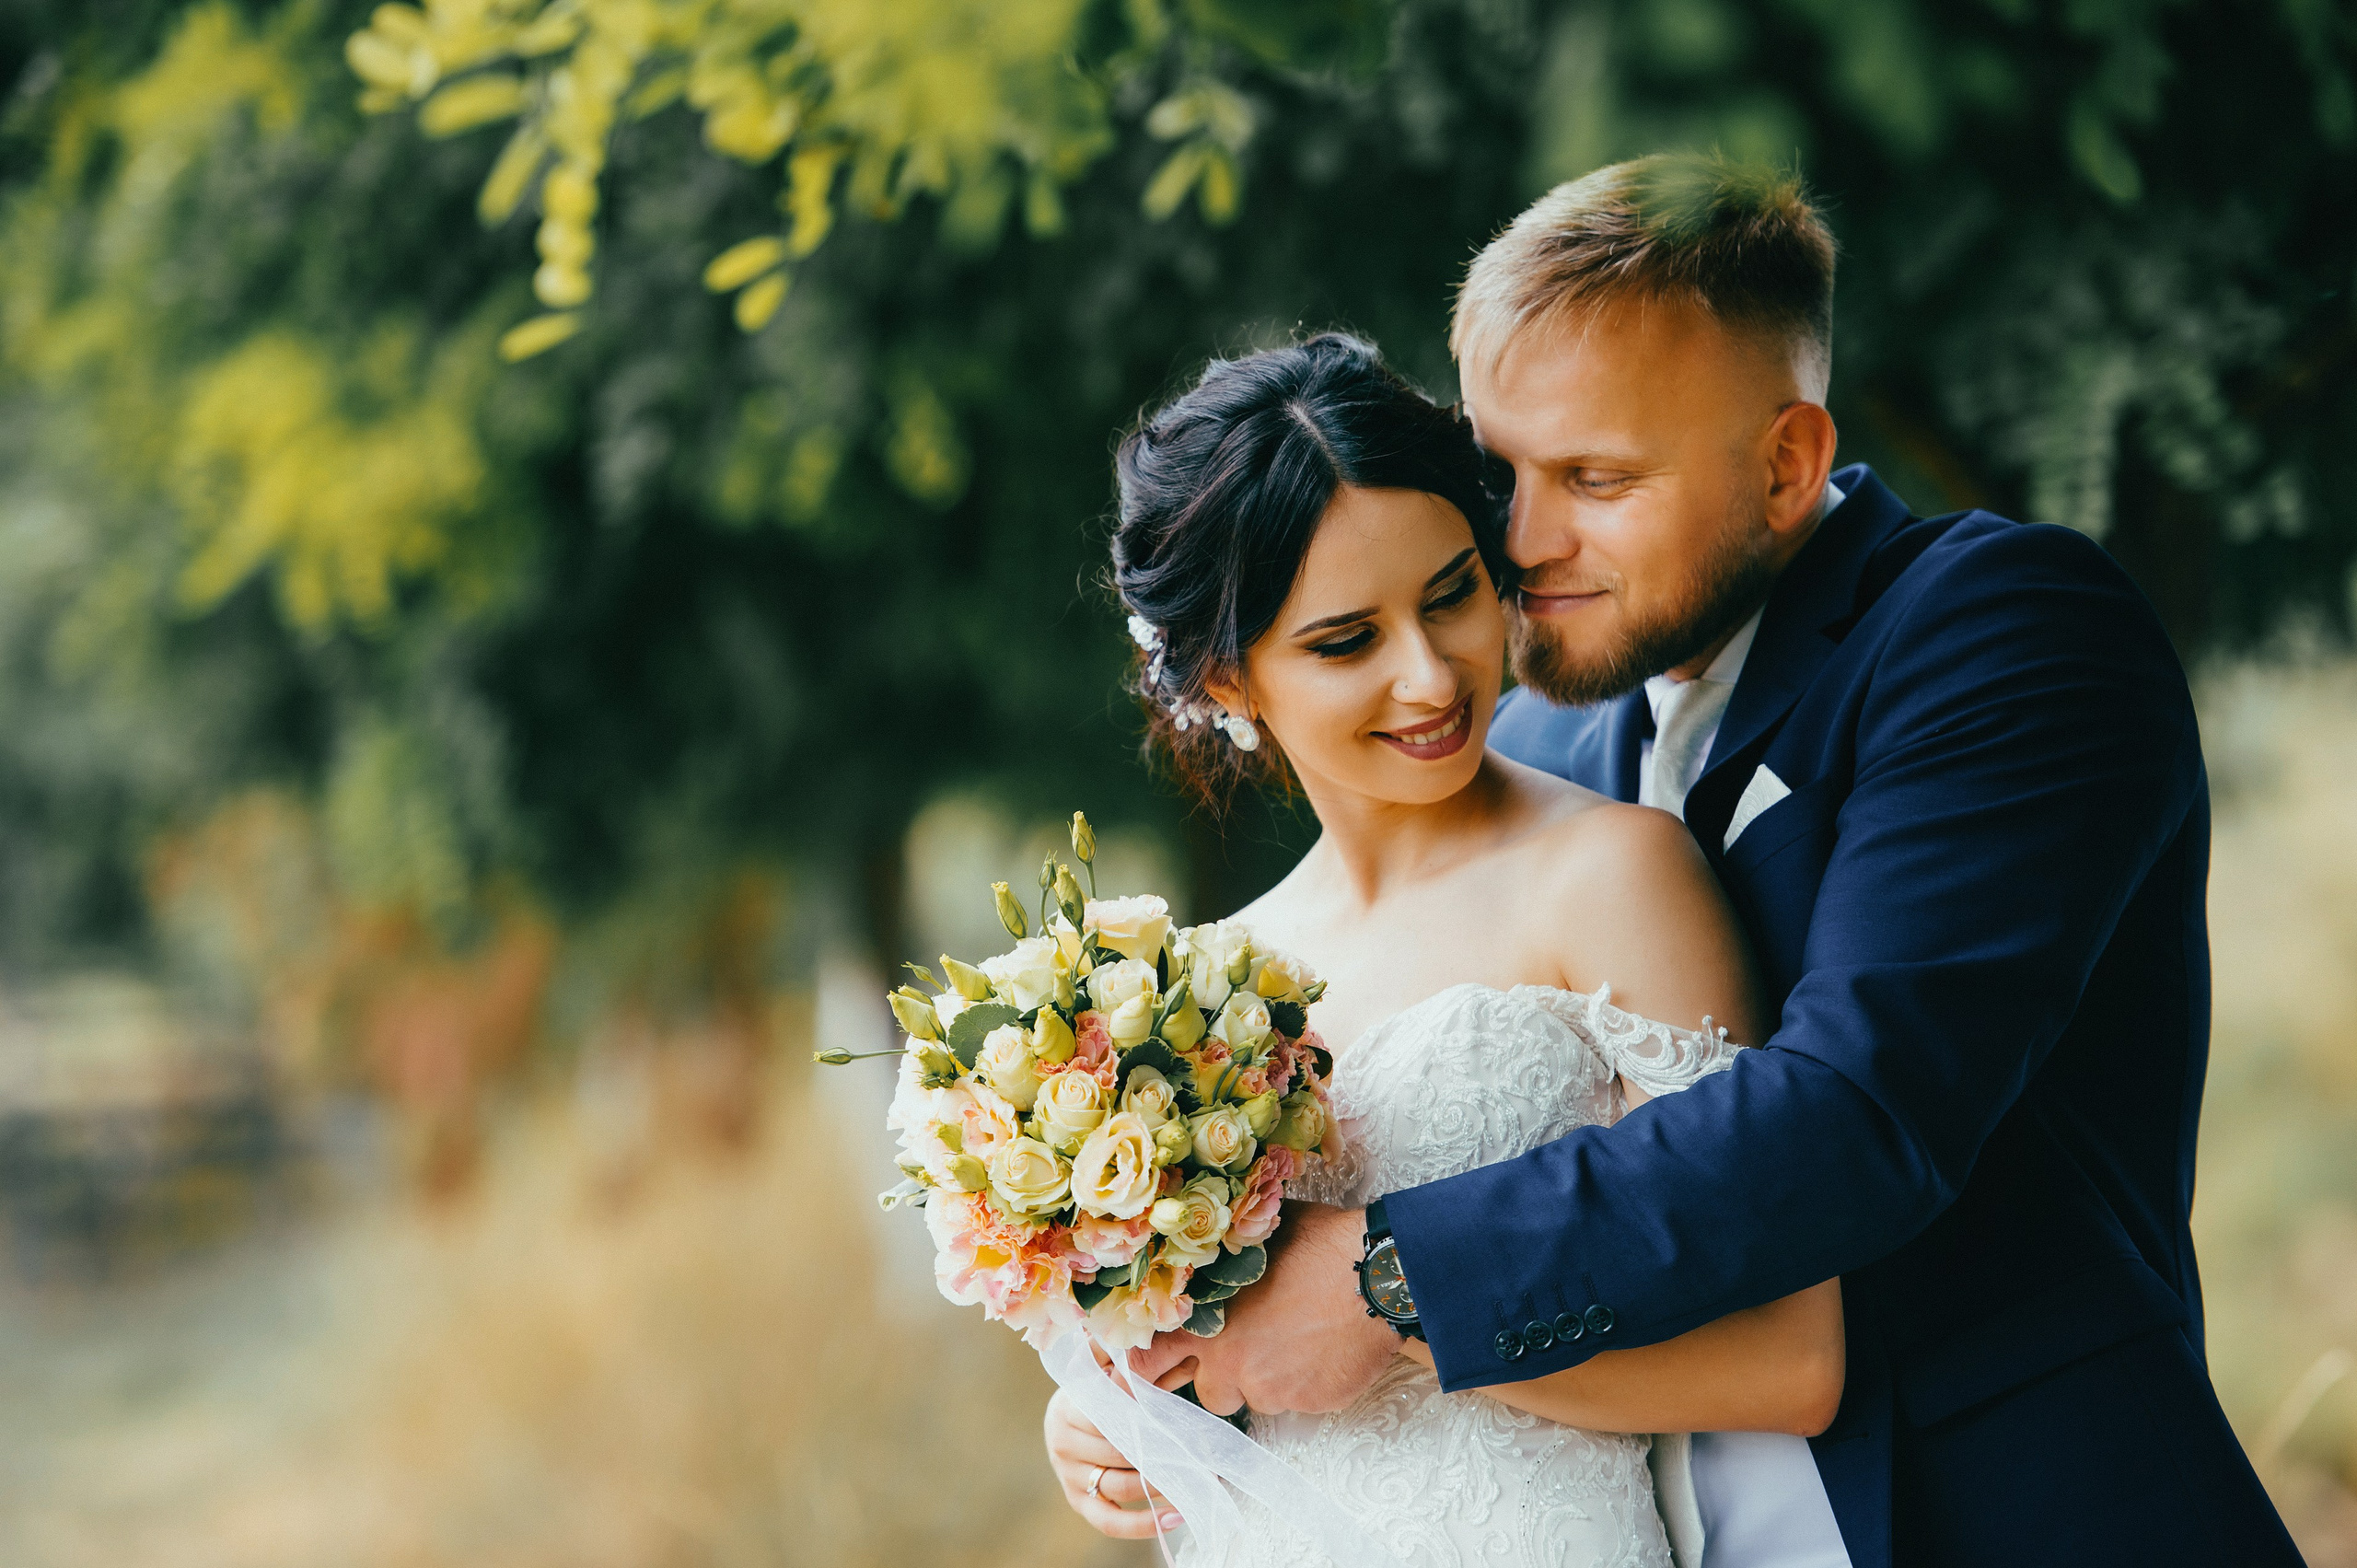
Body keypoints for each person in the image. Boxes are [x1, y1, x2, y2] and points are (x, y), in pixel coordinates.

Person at [1077, 157, 2304, 1566]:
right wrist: (1156, 1401)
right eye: (1501, 474)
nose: (1522, 542)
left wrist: (1389, 1288)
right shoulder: (1539, 737)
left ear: (1787, 462)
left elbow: (1857, 1112)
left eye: (1596, 478)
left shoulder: (2001, 635)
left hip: (2006, 1516)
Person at [1044, 328, 1854, 1566]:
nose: (1430, 679)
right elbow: (1196, 1360)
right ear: (1230, 676)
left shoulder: (1611, 876)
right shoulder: (1188, 997)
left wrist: (1400, 1331)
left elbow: (1790, 1359)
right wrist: (1112, 1419)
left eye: (1451, 595)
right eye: (1345, 641)